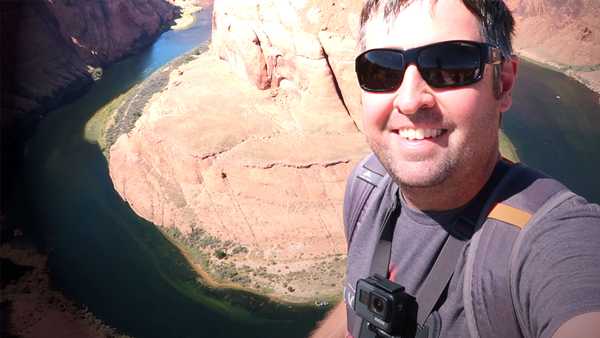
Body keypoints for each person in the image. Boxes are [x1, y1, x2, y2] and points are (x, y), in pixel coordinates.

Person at [309, 0, 600, 337]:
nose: (409, 100)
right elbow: (355, 303)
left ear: (503, 84)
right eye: (382, 70)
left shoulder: (550, 236)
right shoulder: (367, 184)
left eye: (450, 66)